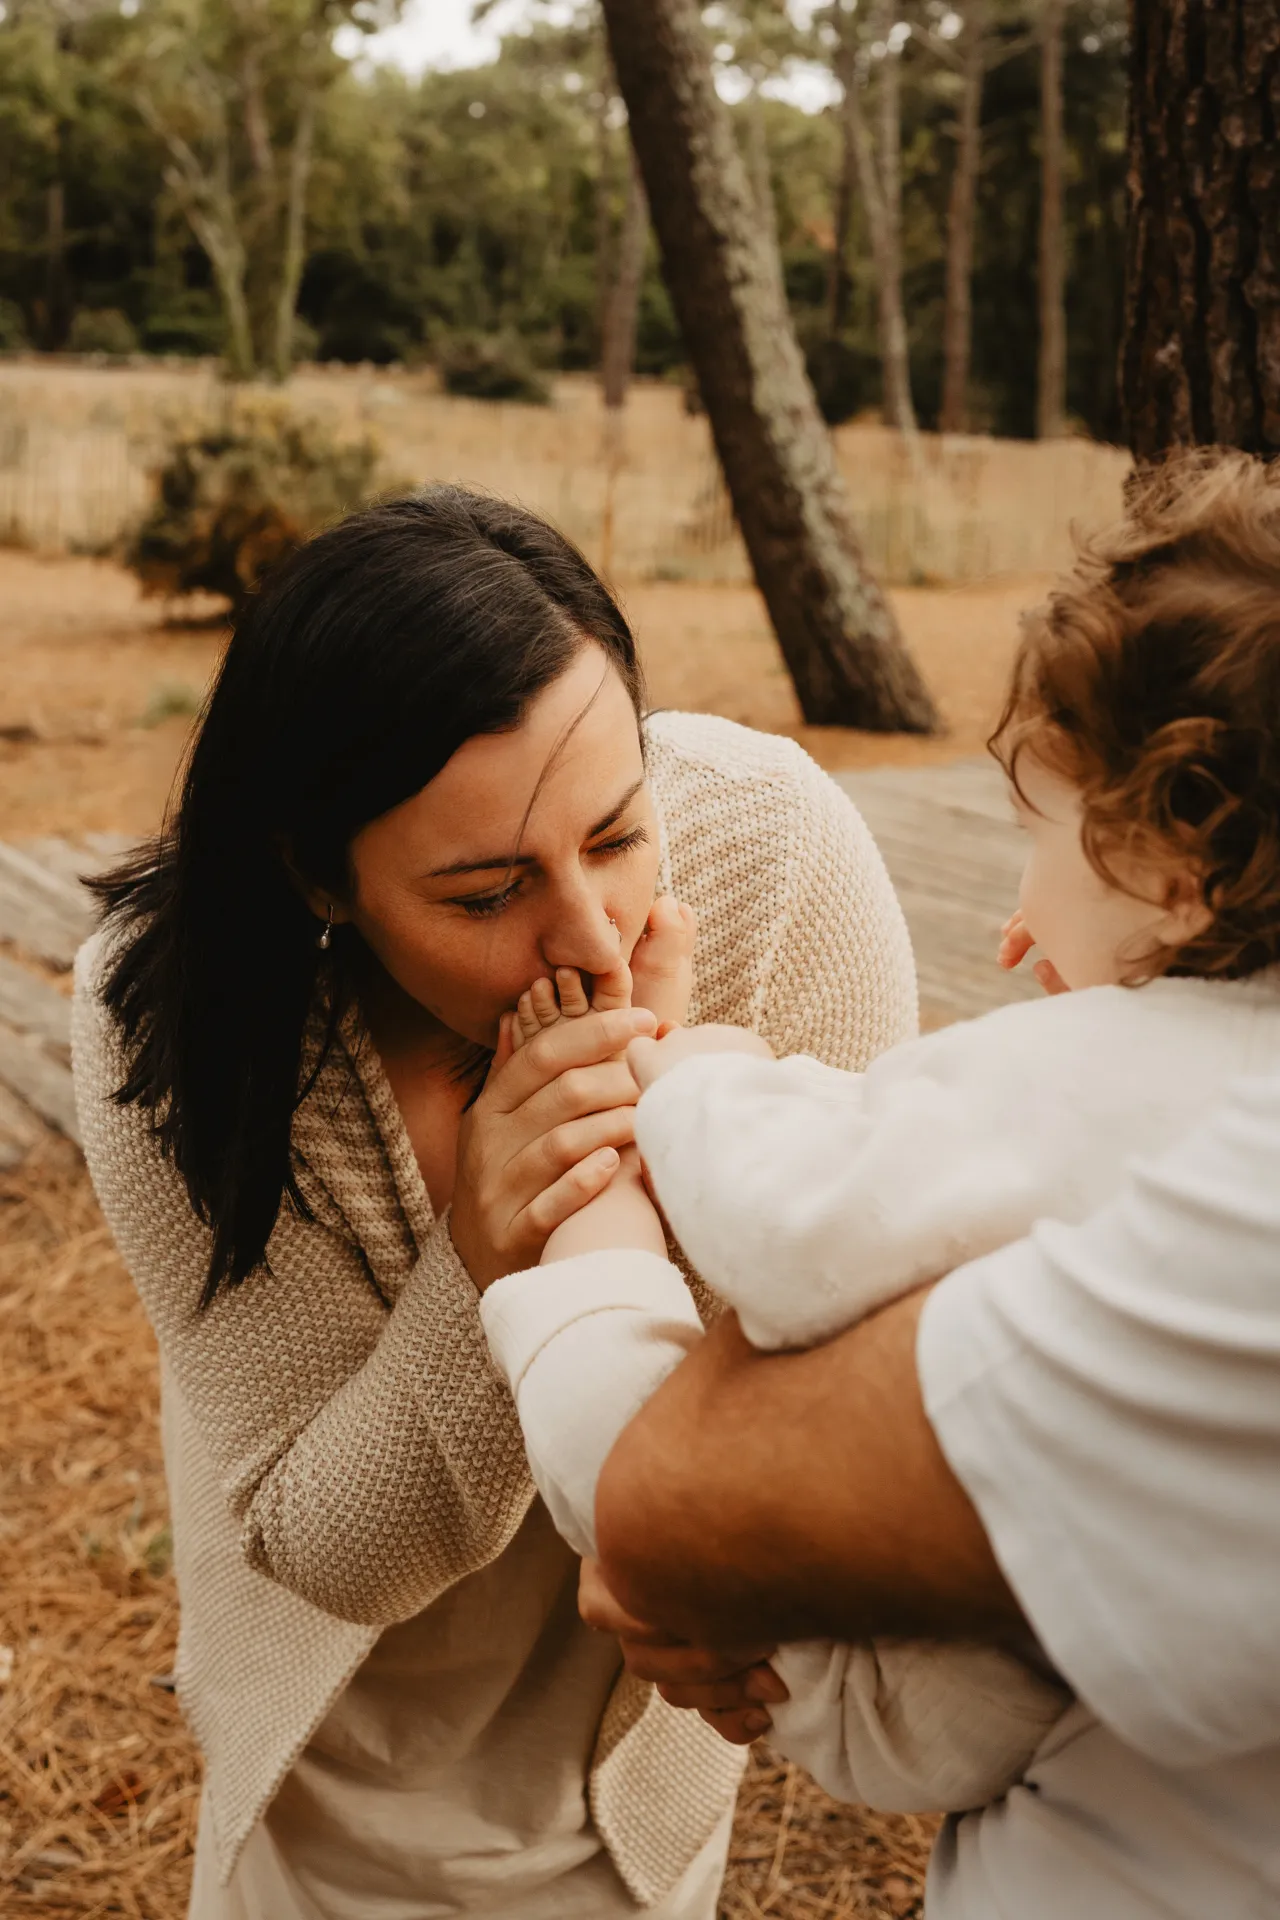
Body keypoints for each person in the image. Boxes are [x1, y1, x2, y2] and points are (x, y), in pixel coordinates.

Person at [70, 487, 917, 1919]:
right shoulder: (170, 1023)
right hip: (335, 1777)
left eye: (620, 831)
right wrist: (487, 1259)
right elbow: (327, 1543)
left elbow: (865, 1356)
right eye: (483, 895)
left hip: (638, 1761)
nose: (594, 936)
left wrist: (670, 1159)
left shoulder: (775, 855)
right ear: (318, 877)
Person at [474, 451, 1280, 1911]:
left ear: (1173, 862)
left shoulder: (1098, 1064)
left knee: (613, 1415)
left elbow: (798, 1219)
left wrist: (693, 1075)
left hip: (877, 1677)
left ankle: (587, 1192)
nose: (1016, 932)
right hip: (1071, 1684)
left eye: (1040, 844)